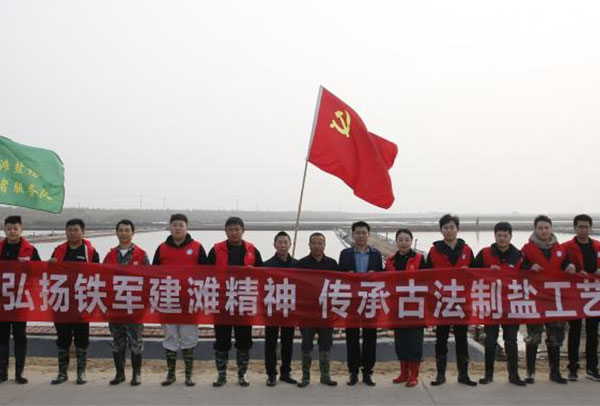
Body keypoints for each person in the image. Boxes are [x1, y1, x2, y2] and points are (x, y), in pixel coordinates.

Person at [207, 216, 263, 387]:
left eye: (236, 229)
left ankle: (242, 374)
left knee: (244, 340)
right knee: (221, 341)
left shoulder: (252, 250)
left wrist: (254, 272)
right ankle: (221, 375)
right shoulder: (216, 250)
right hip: (222, 302)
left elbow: (262, 274)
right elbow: (205, 274)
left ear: (243, 230)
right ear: (225, 231)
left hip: (244, 302)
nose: (233, 232)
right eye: (230, 229)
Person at [152, 213, 207, 387]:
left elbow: (207, 274)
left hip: (189, 301)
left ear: (186, 227)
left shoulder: (197, 247)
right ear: (170, 227)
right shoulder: (161, 248)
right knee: (170, 337)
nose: (177, 228)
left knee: (189, 338)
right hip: (167, 300)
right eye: (174, 225)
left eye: (180, 225)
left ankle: (188, 375)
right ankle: (171, 375)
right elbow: (152, 274)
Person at [521, 214, 574, 384]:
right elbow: (518, 269)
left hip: (555, 301)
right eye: (540, 228)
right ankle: (530, 372)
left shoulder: (561, 249)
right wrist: (529, 267)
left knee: (555, 337)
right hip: (535, 300)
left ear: (551, 229)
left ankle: (555, 372)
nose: (543, 231)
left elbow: (566, 264)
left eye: (546, 228)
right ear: (535, 229)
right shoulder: (526, 250)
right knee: (533, 337)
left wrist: (570, 266)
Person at [471, 222, 526, 386]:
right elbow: (471, 272)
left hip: (511, 305)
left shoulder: (519, 255)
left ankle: (513, 374)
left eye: (505, 236)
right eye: (499, 235)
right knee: (490, 340)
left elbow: (528, 276)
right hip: (491, 304)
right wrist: (487, 272)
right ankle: (488, 374)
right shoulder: (485, 253)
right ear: (494, 236)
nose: (502, 239)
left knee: (511, 341)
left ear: (511, 236)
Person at [427, 214, 477, 386]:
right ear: (441, 230)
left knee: (462, 339)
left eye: (452, 227)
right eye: (446, 227)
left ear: (457, 229)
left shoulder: (467, 250)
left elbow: (477, 272)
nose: (449, 230)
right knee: (441, 339)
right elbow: (425, 276)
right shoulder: (434, 251)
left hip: (462, 302)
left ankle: (463, 374)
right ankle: (440, 374)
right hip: (442, 302)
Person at [49, 219, 100, 385]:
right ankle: (62, 373)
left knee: (81, 338)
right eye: (69, 230)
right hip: (62, 301)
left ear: (82, 232)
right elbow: (48, 274)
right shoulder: (58, 250)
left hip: (81, 302)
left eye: (75, 230)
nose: (72, 233)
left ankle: (81, 372)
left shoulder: (90, 251)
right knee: (62, 338)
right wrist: (51, 265)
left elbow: (98, 275)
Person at [103, 219, 150, 386]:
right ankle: (119, 374)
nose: (124, 233)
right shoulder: (109, 255)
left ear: (132, 233)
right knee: (117, 341)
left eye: (127, 230)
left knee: (136, 342)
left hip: (134, 306)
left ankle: (136, 374)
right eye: (121, 230)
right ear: (116, 232)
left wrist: (145, 303)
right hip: (115, 306)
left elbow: (148, 280)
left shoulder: (141, 255)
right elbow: (102, 278)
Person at [338, 221, 383, 386]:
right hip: (352, 301)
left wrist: (375, 274)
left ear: (368, 234)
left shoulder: (376, 254)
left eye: (364, 233)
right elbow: (338, 275)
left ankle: (368, 372)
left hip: (370, 301)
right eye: (358, 233)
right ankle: (353, 371)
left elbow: (382, 276)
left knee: (370, 337)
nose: (361, 236)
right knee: (352, 337)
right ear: (352, 234)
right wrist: (347, 274)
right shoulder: (345, 254)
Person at [0, 215, 41, 384]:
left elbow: (40, 273)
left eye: (15, 228)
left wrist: (28, 267)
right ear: (4, 230)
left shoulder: (30, 250)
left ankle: (19, 372)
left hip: (20, 300)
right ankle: (2, 372)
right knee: (1, 337)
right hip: (2, 301)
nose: (12, 232)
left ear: (21, 230)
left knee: (20, 336)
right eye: (9, 228)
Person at [296, 232, 339, 388]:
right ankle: (305, 377)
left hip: (326, 312)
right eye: (314, 243)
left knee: (326, 344)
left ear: (324, 245)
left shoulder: (332, 264)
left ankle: (325, 376)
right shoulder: (301, 264)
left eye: (320, 243)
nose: (317, 246)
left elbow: (339, 286)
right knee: (306, 344)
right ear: (309, 245)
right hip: (307, 313)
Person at [385, 228, 426, 388]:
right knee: (400, 341)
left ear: (411, 241)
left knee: (414, 341)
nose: (403, 243)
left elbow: (428, 280)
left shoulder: (419, 259)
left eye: (407, 240)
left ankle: (414, 375)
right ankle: (404, 373)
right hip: (397, 307)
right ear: (396, 241)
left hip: (415, 307)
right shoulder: (390, 261)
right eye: (400, 240)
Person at [562, 214, 600, 381]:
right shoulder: (566, 247)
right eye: (580, 227)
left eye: (586, 227)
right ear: (575, 228)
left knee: (593, 332)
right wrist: (569, 267)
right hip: (574, 295)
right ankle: (573, 368)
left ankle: (592, 367)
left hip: (594, 295)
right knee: (574, 331)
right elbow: (558, 263)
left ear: (591, 228)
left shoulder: (597, 246)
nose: (583, 230)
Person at [262, 231, 298, 386]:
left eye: (285, 242)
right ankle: (271, 373)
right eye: (280, 242)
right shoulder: (266, 265)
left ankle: (285, 372)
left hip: (289, 309)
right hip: (271, 310)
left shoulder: (297, 265)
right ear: (274, 245)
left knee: (287, 342)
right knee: (270, 342)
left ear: (290, 244)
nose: (283, 245)